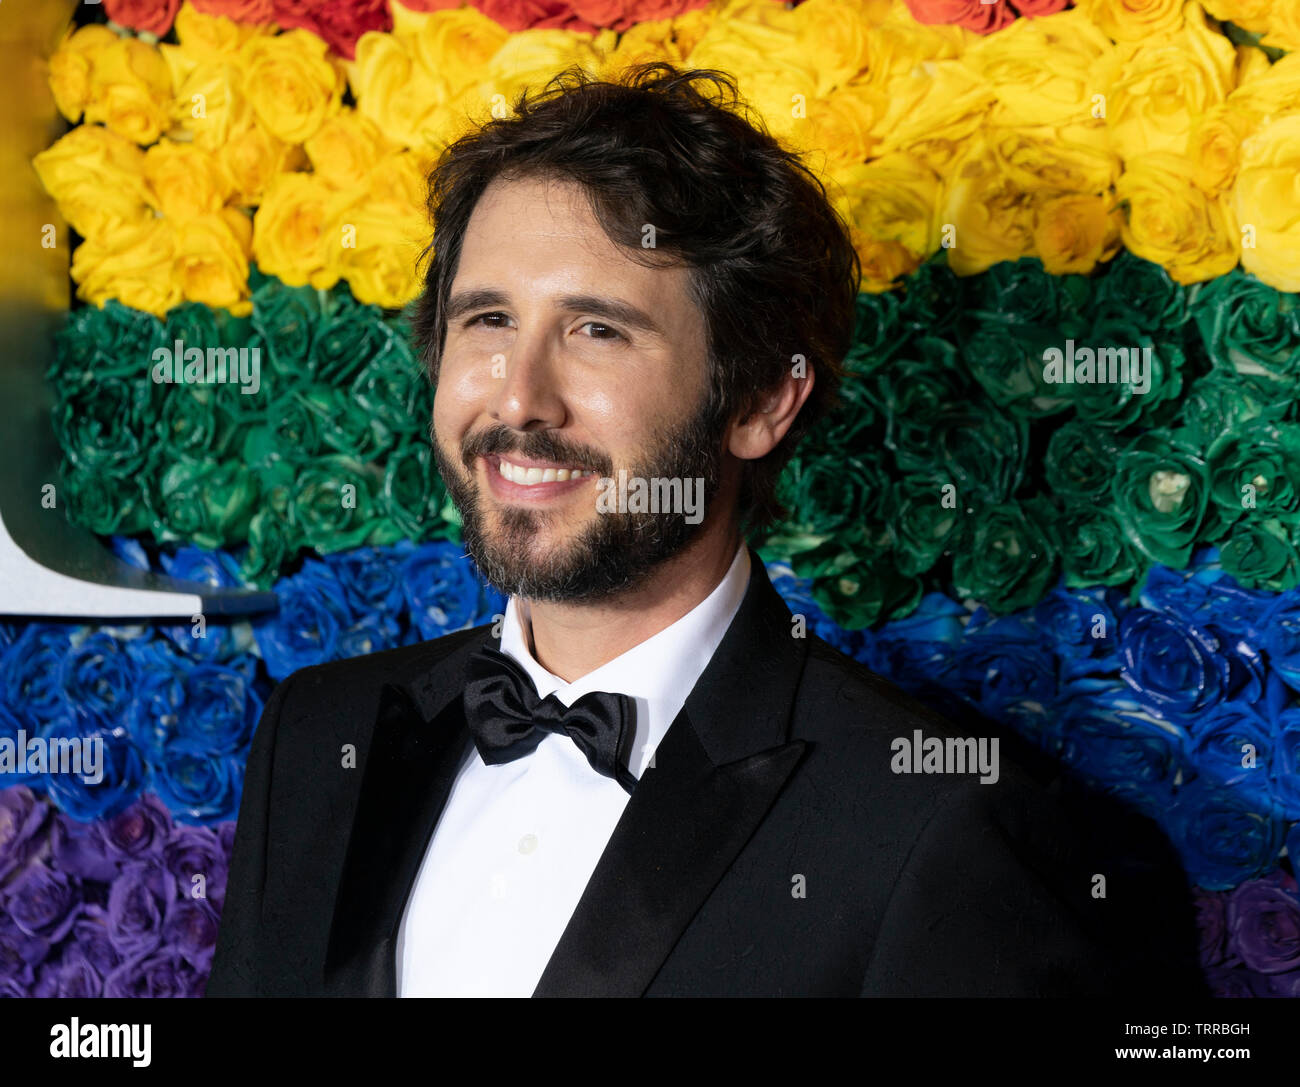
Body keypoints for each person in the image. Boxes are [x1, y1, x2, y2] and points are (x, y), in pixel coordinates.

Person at [206, 63, 1207, 997]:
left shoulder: (938, 827)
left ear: (763, 400)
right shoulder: (317, 732)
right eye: (486, 320)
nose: (519, 397)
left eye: (596, 328)